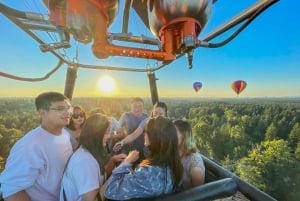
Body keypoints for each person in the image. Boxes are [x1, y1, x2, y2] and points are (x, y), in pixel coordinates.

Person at [0, 91, 73, 201]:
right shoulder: (30, 146)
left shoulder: (65, 134)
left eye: (68, 107)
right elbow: (11, 191)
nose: (67, 112)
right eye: (60, 108)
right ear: (42, 113)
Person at [104, 116, 183, 200]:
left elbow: (110, 191)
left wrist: (126, 162)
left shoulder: (147, 174)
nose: (144, 134)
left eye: (146, 132)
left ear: (154, 138)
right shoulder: (176, 168)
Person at [60, 113, 126, 201]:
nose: (108, 136)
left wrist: (112, 161)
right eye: (106, 133)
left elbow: (97, 178)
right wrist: (119, 171)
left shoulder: (87, 152)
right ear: (96, 135)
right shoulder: (85, 162)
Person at [173, 119, 205, 191]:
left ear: (184, 136)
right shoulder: (173, 152)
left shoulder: (195, 164)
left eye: (173, 133)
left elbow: (198, 195)